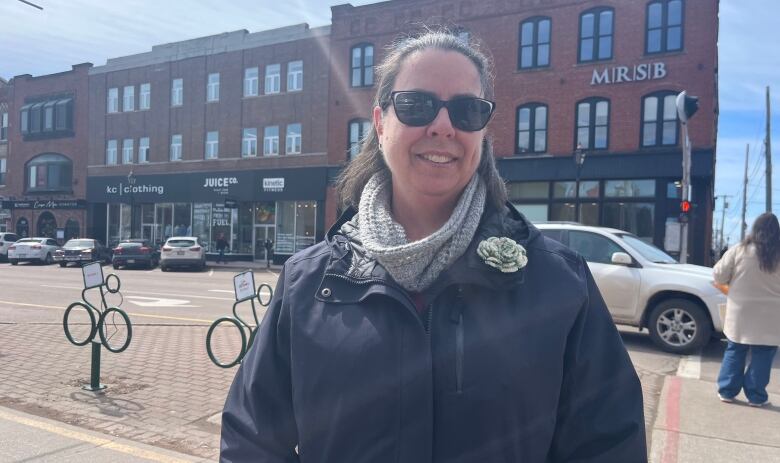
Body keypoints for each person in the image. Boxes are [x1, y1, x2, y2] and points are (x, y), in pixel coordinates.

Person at [221, 30, 646, 462]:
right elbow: (252, 439)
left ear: (482, 132)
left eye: (466, 111)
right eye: (417, 105)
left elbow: (609, 445)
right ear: (380, 122)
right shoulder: (307, 282)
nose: (443, 126)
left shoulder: (559, 282)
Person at [714, 212, 780, 407]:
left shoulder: (740, 250)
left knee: (735, 349)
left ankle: (727, 391)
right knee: (763, 354)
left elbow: (718, 275)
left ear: (755, 229)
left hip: (741, 312)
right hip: (772, 316)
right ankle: (756, 395)